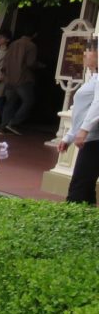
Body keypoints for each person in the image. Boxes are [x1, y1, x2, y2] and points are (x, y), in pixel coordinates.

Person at [58, 39, 99, 205]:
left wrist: (84, 130)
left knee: (79, 188)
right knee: (85, 187)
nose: (85, 54)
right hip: (90, 139)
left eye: (89, 50)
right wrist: (69, 136)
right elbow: (81, 110)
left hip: (94, 139)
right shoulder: (94, 77)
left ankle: (72, 218)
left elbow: (97, 105)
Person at [0, 24, 43, 135]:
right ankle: (13, 123)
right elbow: (30, 63)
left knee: (9, 103)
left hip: (9, 78)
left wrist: (5, 74)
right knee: (29, 101)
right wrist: (40, 65)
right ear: (34, 34)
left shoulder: (13, 44)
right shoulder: (31, 46)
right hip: (23, 79)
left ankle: (3, 126)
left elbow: (5, 61)